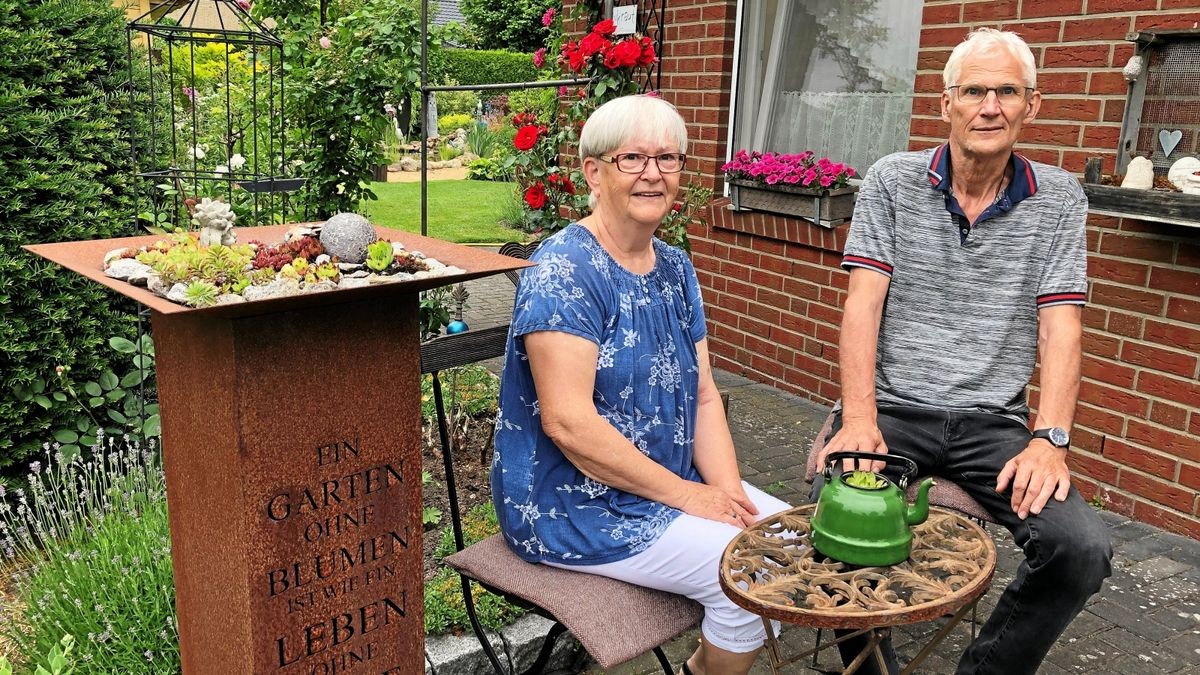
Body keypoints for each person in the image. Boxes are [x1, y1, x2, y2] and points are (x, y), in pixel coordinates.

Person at [813, 28, 1113, 675]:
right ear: (947, 102)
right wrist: (859, 417)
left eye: (1007, 91)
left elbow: (1061, 326)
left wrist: (1050, 439)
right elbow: (862, 305)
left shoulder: (1058, 199)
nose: (990, 105)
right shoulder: (893, 182)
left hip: (994, 425)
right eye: (974, 90)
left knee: (1080, 548)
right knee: (838, 516)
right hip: (892, 410)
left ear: (1031, 106)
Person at [491, 94, 789, 675]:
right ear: (593, 173)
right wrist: (693, 497)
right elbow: (568, 423)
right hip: (571, 504)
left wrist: (731, 497)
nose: (653, 174)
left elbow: (703, 395)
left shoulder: (675, 267)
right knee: (756, 574)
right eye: (632, 158)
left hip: (661, 484)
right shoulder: (564, 270)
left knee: (793, 547)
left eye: (668, 158)